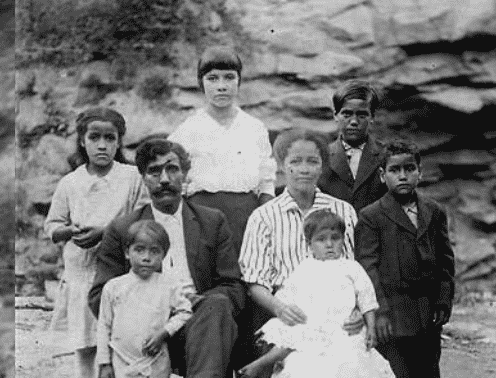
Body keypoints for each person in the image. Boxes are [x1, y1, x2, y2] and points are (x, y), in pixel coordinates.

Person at [88, 137, 246, 378]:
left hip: (199, 322)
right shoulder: (123, 228)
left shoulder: (211, 222)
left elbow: (233, 286)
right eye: (154, 171)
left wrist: (198, 301)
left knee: (217, 304)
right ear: (142, 179)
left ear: (185, 175)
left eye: (172, 169)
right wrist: (150, 305)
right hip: (145, 331)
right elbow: (100, 296)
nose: (164, 179)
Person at [238, 129, 362, 372]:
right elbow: (254, 281)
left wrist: (357, 310)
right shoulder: (264, 216)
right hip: (284, 311)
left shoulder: (343, 211)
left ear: (322, 166)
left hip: (336, 311)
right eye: (295, 161)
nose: (304, 169)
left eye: (312, 161)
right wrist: (279, 308)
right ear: (281, 166)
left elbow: (355, 270)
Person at [44, 107, 149, 378]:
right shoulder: (71, 183)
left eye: (110, 138)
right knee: (85, 347)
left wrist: (106, 232)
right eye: (94, 137)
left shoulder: (132, 178)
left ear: (119, 141)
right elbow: (52, 226)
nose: (102, 145)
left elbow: (143, 220)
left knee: (120, 344)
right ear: (82, 140)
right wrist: (69, 231)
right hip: (82, 273)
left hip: (118, 272)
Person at [237, 210, 395, 378]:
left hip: (343, 326)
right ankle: (263, 364)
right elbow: (288, 295)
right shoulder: (304, 268)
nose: (329, 245)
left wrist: (370, 327)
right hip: (311, 321)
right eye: (321, 239)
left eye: (335, 238)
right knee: (298, 343)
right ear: (309, 244)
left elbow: (367, 298)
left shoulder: (352, 268)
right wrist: (290, 313)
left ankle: (264, 363)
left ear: (343, 239)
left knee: (351, 361)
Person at [355, 140, 455, 378]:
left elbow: (445, 260)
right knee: (397, 372)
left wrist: (443, 299)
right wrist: (379, 313)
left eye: (409, 169)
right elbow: (367, 268)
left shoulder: (434, 211)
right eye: (394, 170)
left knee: (429, 371)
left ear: (419, 173)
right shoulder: (371, 216)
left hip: (428, 313)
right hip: (392, 319)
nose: (403, 176)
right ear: (382, 175)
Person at [168, 45, 276, 252]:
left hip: (246, 219)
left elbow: (266, 183)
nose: (221, 86)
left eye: (229, 77)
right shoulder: (187, 131)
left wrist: (265, 223)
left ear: (239, 81)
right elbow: (175, 185)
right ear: (201, 83)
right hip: (201, 219)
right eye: (212, 78)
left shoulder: (254, 128)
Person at [96, 220, 192, 378]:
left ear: (164, 255)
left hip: (154, 361)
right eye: (139, 250)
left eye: (154, 251)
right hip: (122, 361)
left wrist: (164, 332)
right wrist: (104, 363)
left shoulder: (169, 285)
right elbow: (104, 326)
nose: (146, 258)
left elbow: (185, 312)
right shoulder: (114, 287)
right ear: (127, 252)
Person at [318, 79, 387, 213]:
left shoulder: (386, 155)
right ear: (336, 115)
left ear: (372, 116)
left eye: (362, 115)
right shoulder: (322, 157)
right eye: (347, 114)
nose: (354, 122)